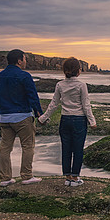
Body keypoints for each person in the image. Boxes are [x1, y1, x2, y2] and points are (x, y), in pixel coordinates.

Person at [38, 57, 96, 187]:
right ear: (78, 71)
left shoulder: (60, 84)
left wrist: (43, 118)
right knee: (78, 149)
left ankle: (68, 177)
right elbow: (86, 105)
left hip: (65, 120)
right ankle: (75, 178)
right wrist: (92, 121)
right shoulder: (81, 85)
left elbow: (54, 104)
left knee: (66, 148)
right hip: (79, 120)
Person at [0, 49, 43, 186]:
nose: (26, 62)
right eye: (25, 59)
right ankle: (26, 176)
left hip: (4, 117)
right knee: (27, 146)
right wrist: (39, 113)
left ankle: (5, 178)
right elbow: (32, 96)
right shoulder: (25, 76)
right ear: (19, 61)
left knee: (5, 148)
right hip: (22, 117)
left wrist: (0, 115)